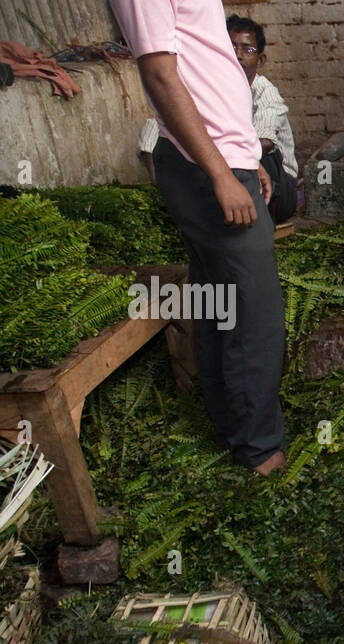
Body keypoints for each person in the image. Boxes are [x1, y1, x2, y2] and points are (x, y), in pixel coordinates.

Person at [111, 0, 287, 476]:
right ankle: (260, 450)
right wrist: (220, 173)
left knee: (221, 303)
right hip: (204, 168)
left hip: (224, 161)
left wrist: (244, 158)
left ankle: (234, 429)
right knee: (257, 315)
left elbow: (204, 71)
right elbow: (160, 75)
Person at [138, 15, 298, 224]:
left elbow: (264, 141)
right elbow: (155, 128)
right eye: (230, 47)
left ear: (260, 60)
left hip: (277, 188)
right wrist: (159, 182)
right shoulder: (206, 90)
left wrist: (214, 159)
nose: (238, 55)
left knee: (261, 152)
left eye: (247, 49)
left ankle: (261, 220)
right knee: (178, 136)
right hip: (224, 178)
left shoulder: (265, 93)